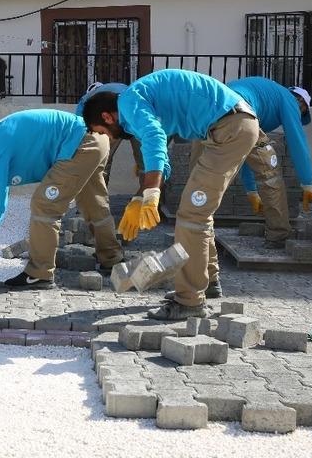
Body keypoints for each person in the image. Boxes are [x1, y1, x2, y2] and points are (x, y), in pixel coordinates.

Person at [82, 69, 265, 320]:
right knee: (198, 212)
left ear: (107, 116)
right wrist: (140, 198)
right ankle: (208, 283)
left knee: (191, 216)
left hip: (229, 127)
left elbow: (155, 137)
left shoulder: (129, 101)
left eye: (101, 131)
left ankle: (189, 302)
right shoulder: (141, 104)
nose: (106, 138)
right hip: (227, 126)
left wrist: (152, 191)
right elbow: (161, 156)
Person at [0, 109, 124, 289]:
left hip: (79, 144)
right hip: (94, 139)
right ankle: (112, 259)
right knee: (93, 203)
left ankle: (39, 274)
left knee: (44, 204)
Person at [230, 78, 312, 239]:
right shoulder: (289, 99)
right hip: (240, 109)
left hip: (215, 108)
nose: (298, 115)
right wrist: (308, 183)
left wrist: (251, 190)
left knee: (207, 173)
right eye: (302, 112)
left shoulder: (268, 98)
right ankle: (279, 235)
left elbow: (248, 148)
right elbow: (297, 141)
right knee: (270, 174)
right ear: (300, 102)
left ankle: (193, 233)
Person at [75, 82, 128, 185]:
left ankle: (100, 197)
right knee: (145, 161)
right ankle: (146, 197)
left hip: (113, 121)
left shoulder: (86, 100)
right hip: (134, 115)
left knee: (102, 158)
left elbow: (80, 124)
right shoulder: (118, 87)